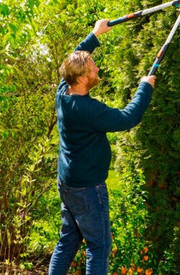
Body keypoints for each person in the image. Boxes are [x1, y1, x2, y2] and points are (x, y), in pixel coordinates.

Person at [48, 19, 156, 275]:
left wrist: (95, 35)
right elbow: (128, 118)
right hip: (87, 188)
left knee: (68, 240)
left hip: (68, 182)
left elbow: (72, 58)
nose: (97, 69)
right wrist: (145, 87)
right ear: (83, 77)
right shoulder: (88, 110)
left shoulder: (63, 92)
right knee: (99, 246)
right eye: (93, 68)